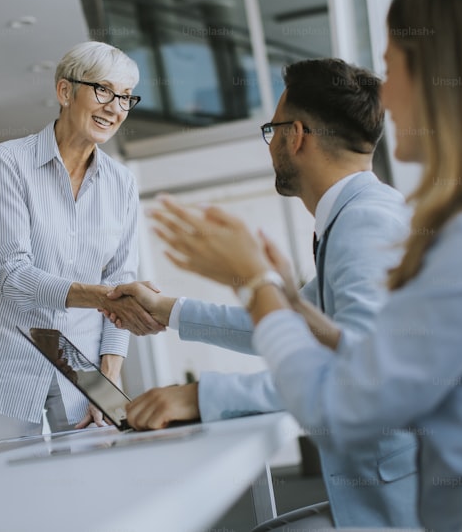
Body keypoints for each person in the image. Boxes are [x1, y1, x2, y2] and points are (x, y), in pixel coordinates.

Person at [150, 0, 462, 532]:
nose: (384, 96)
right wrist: (285, 299)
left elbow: (340, 407)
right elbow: (393, 359)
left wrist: (255, 284)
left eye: (392, 68)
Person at [104, 58, 419, 528]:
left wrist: (201, 397)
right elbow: (283, 322)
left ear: (295, 135)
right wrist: (168, 311)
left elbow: (359, 371)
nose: (271, 145)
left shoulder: (363, 223)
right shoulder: (362, 213)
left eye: (272, 130)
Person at [0, 41, 160, 443]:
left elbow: (123, 274)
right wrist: (104, 297)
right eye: (103, 90)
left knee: (93, 492)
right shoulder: (9, 162)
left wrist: (110, 373)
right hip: (6, 365)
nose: (115, 107)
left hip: (88, 371)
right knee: (18, 493)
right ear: (65, 92)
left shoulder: (121, 183)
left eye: (124, 97)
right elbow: (11, 276)